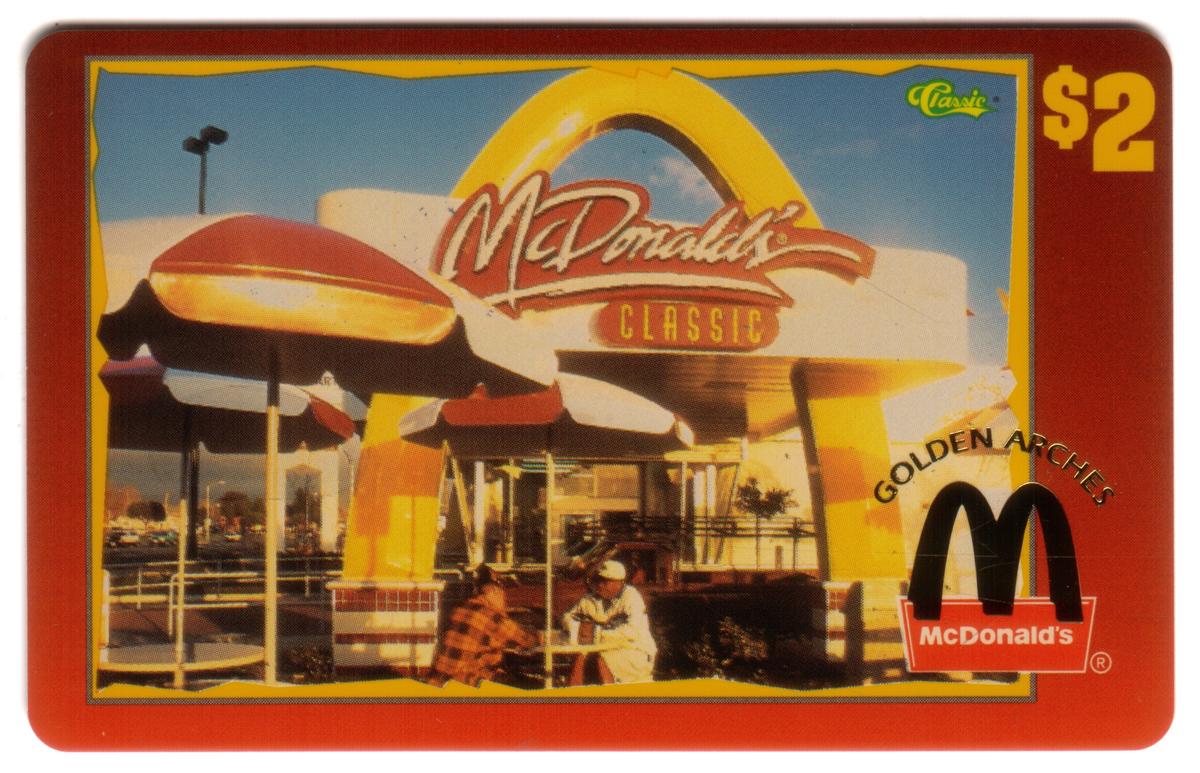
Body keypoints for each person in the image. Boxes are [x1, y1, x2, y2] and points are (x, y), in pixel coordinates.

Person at [427, 580, 538, 687]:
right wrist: (540, 637)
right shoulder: (488, 615)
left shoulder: (460, 609)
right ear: (494, 592)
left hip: (441, 679)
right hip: (466, 679)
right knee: (528, 684)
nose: (504, 602)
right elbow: (524, 639)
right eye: (503, 597)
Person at [562, 559, 657, 684]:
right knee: (580, 656)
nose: (600, 585)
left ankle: (610, 693)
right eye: (599, 580)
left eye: (605, 582)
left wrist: (596, 633)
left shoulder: (631, 597)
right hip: (602, 648)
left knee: (603, 658)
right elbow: (567, 617)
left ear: (619, 583)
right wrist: (578, 628)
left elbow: (632, 632)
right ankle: (573, 693)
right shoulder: (590, 599)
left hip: (635, 650)